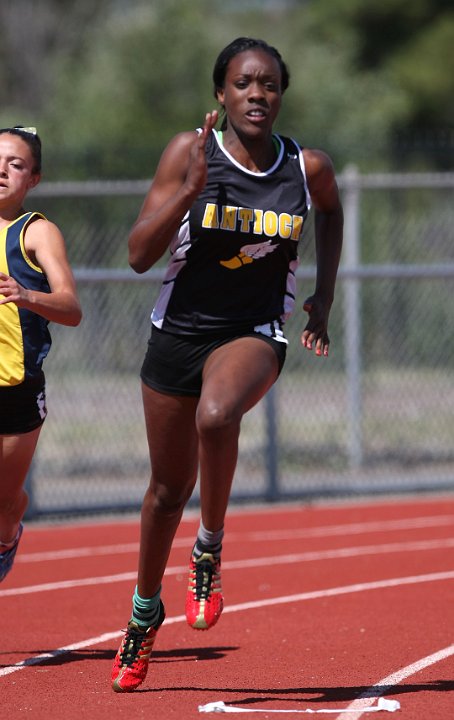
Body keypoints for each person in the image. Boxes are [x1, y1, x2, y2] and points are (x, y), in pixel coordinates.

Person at [111, 37, 343, 693]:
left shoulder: (306, 167)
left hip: (254, 331)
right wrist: (188, 192)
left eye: (269, 84)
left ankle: (209, 548)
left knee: (218, 417)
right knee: (162, 494)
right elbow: (136, 255)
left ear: (281, 94)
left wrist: (322, 294)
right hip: (177, 336)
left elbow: (330, 209)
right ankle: (142, 616)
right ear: (221, 93)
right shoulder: (191, 153)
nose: (257, 95)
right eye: (244, 83)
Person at [0, 126, 82, 583]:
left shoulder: (37, 232)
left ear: (33, 179)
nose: (1, 171)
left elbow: (71, 308)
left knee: (5, 501)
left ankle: (9, 533)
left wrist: (26, 294)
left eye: (15, 164)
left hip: (16, 386)